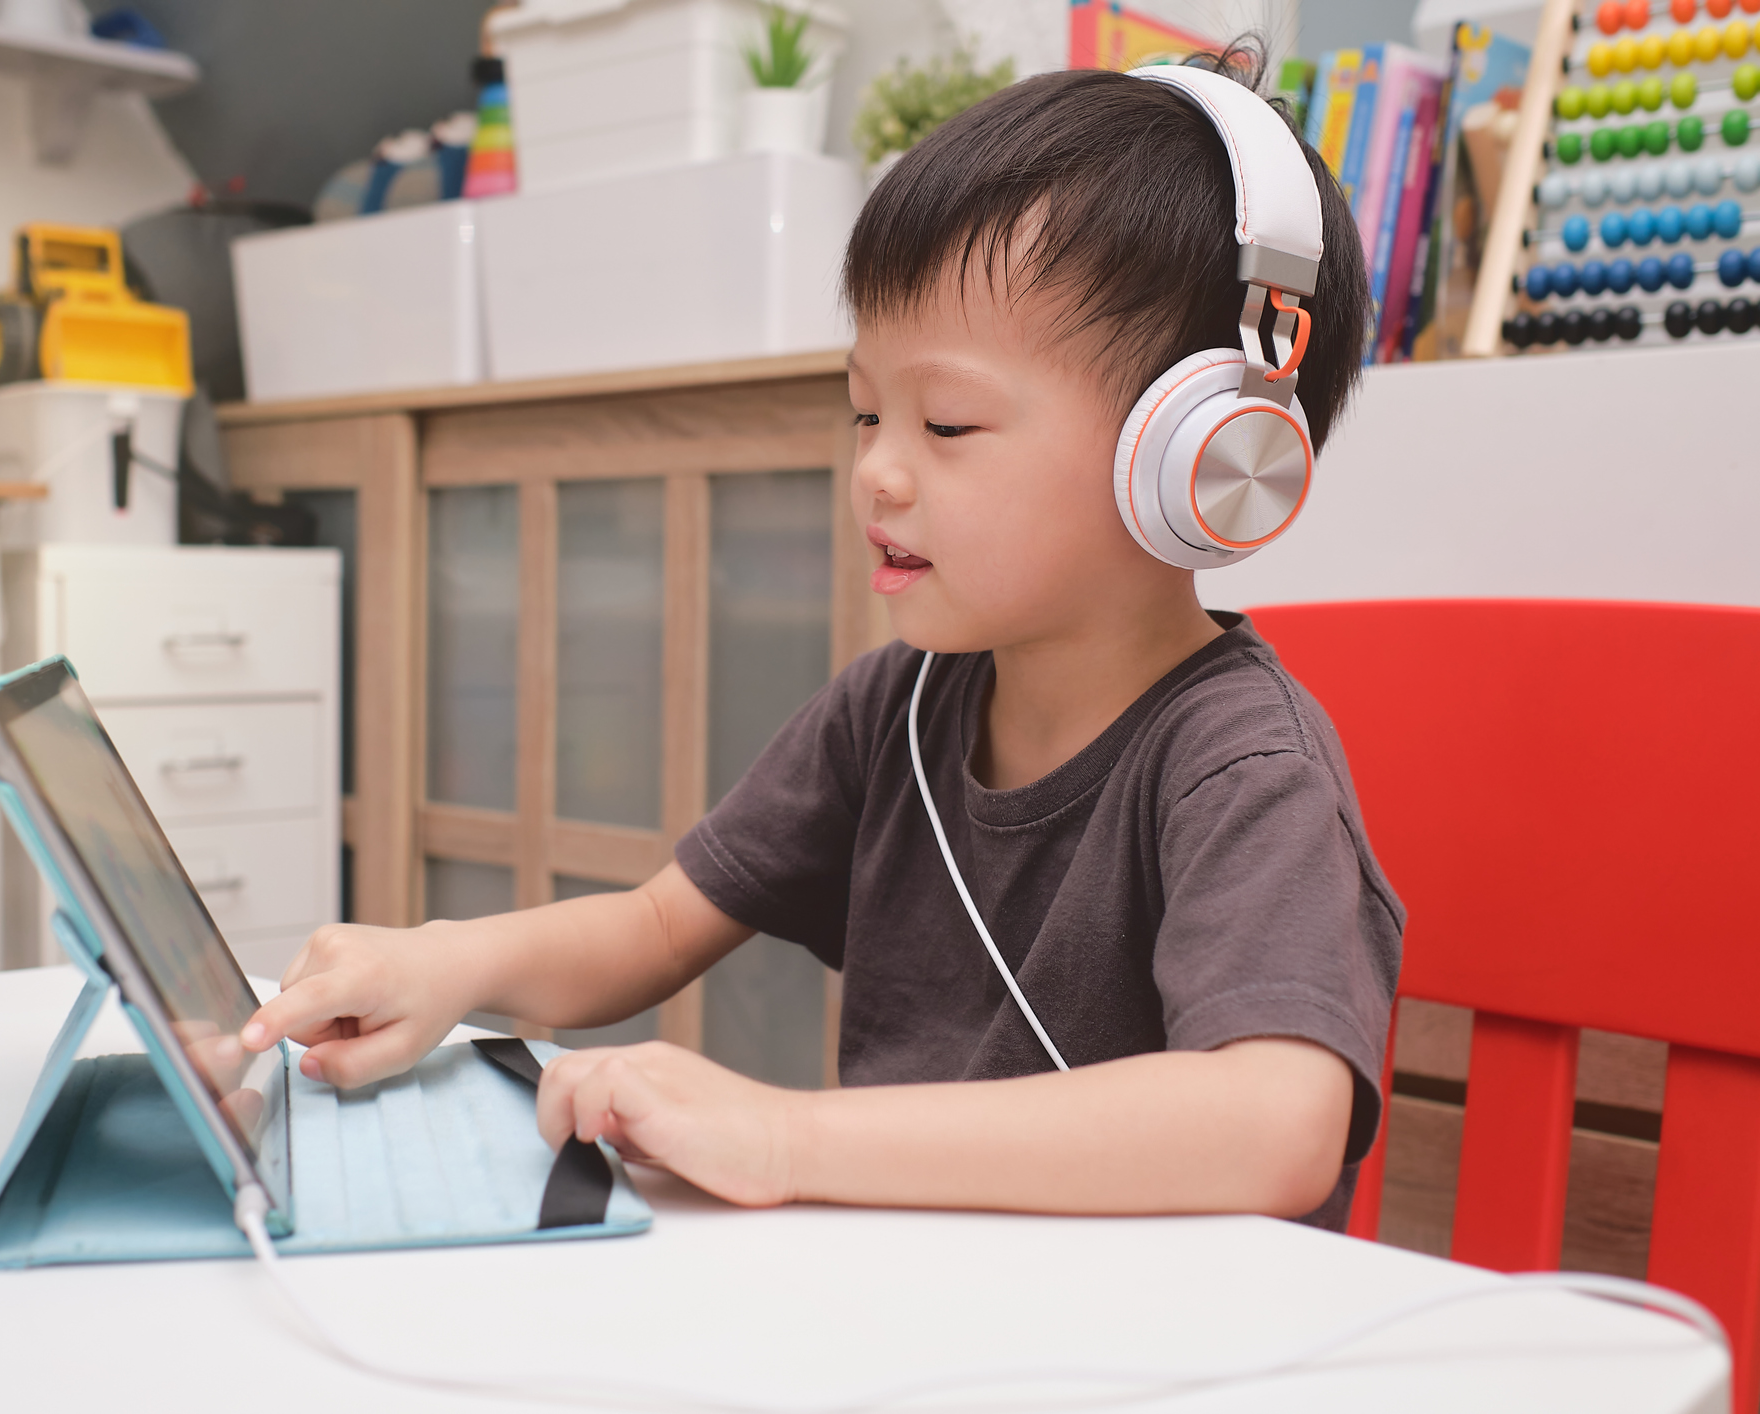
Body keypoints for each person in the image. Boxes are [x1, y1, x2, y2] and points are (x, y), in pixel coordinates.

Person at [239, 52, 1402, 1228]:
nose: (877, 472)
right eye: (865, 411)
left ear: (1201, 455)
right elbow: (653, 925)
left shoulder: (1242, 769)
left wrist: (786, 1133)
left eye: (945, 422)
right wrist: (450, 965)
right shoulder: (891, 709)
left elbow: (1275, 1122)